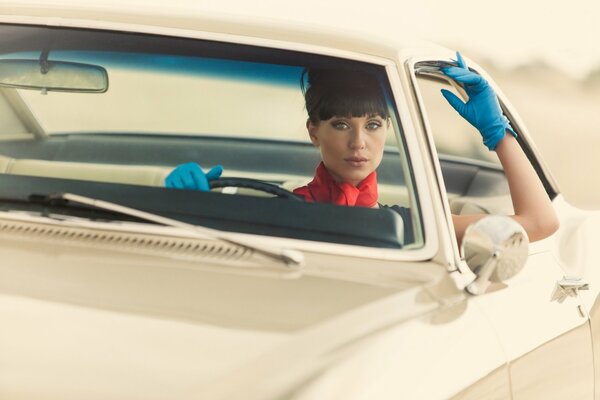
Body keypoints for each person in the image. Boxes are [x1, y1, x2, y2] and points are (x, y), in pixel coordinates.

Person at [164, 52, 559, 245]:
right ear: (313, 131)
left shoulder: (417, 224)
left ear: (387, 129)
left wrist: (497, 132)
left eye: (372, 125)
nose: (358, 143)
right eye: (340, 125)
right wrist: (186, 208)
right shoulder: (275, 208)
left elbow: (539, 223)